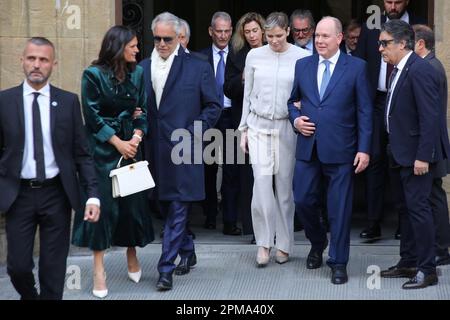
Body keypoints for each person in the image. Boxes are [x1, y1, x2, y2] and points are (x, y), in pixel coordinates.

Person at [0, 37, 100, 300]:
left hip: (56, 193)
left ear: (53, 64)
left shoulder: (68, 102)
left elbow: (82, 153)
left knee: (53, 269)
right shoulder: (4, 101)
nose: (37, 65)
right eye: (31, 58)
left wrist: (92, 195)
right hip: (17, 194)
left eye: (43, 60)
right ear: (22, 60)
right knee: (18, 267)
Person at [139, 12, 221, 290]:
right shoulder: (143, 66)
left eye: (167, 39)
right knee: (163, 205)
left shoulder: (197, 66)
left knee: (177, 206)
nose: (161, 43)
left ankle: (165, 269)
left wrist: (194, 131)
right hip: (153, 150)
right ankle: (187, 249)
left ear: (179, 38)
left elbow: (214, 105)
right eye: (157, 38)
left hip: (185, 149)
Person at [71, 26, 154, 299]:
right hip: (102, 151)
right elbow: (92, 117)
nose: (137, 50)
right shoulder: (92, 75)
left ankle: (132, 253)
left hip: (131, 148)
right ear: (118, 46)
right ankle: (98, 269)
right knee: (102, 208)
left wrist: (136, 137)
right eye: (132, 45)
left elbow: (142, 111)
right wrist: (118, 141)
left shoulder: (139, 73)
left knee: (131, 207)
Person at [288, 17, 373, 285]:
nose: (320, 41)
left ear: (339, 38)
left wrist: (364, 149)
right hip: (308, 147)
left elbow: (365, 111)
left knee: (339, 209)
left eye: (326, 36)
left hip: (341, 149)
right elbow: (292, 101)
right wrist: (295, 119)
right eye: (317, 36)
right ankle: (317, 242)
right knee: (302, 200)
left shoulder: (357, 68)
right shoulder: (303, 65)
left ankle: (338, 262)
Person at [378, 20, 449, 289]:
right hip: (398, 152)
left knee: (419, 211)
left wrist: (423, 157)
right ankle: (407, 261)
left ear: (402, 43)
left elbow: (430, 118)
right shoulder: (399, 69)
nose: (380, 48)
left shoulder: (420, 70)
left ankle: (427, 269)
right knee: (405, 211)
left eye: (385, 43)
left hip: (415, 157)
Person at [239, 12, 309, 267]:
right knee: (260, 184)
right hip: (258, 125)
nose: (274, 41)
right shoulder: (254, 55)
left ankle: (285, 243)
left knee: (284, 189)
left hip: (287, 127)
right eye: (269, 36)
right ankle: (263, 243)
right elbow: (247, 94)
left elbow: (309, 92)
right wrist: (243, 129)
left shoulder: (302, 57)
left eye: (279, 36)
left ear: (288, 31)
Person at [354, 0, 426, 240]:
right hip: (376, 103)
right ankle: (373, 222)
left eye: (397, 1)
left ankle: (401, 224)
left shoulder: (417, 28)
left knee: (400, 162)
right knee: (373, 161)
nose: (393, 6)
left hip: (404, 106)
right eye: (388, 1)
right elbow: (360, 65)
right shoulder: (372, 27)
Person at [224, 12, 265, 241]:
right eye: (247, 31)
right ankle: (254, 229)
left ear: (262, 31)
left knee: (272, 177)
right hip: (246, 122)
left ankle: (275, 228)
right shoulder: (237, 55)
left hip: (271, 122)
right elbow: (227, 89)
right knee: (248, 177)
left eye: (254, 31)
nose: (251, 35)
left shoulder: (275, 51)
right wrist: (243, 77)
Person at [200, 12, 242, 235]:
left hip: (231, 117)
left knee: (232, 170)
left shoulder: (238, 55)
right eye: (219, 31)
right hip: (208, 118)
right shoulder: (200, 57)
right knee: (208, 168)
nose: (224, 35)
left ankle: (230, 220)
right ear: (210, 31)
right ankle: (209, 214)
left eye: (227, 31)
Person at [413, 24, 450, 267]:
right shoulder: (432, 65)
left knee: (434, 196)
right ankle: (440, 248)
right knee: (434, 194)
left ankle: (440, 249)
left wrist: (427, 151)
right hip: (434, 143)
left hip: (432, 144)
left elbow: (431, 114)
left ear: (420, 44)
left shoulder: (429, 67)